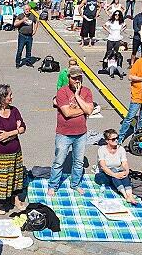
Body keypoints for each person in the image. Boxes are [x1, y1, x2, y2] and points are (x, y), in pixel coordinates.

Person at [48, 66, 94, 196]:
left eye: (79, 78)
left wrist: (78, 96)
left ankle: (75, 184)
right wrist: (83, 109)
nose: (77, 81)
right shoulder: (62, 92)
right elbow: (67, 113)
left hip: (81, 133)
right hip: (64, 133)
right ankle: (53, 185)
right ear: (69, 78)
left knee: (78, 162)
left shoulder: (87, 91)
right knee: (59, 161)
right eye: (74, 78)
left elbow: (89, 110)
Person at [0, 84, 26, 214]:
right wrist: (16, 131)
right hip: (0, 155)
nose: (11, 97)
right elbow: (1, 137)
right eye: (9, 95)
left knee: (15, 177)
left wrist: (11, 133)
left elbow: (23, 128)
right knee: (0, 179)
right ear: (2, 97)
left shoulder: (14, 110)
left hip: (15, 152)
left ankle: (14, 199)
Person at [96, 129, 137, 205]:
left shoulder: (121, 149)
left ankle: (129, 195)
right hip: (102, 175)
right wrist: (115, 175)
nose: (116, 140)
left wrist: (126, 171)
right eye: (113, 139)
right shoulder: (101, 150)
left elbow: (124, 163)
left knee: (123, 173)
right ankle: (125, 195)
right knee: (114, 172)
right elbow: (103, 167)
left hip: (116, 173)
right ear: (107, 141)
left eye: (117, 138)